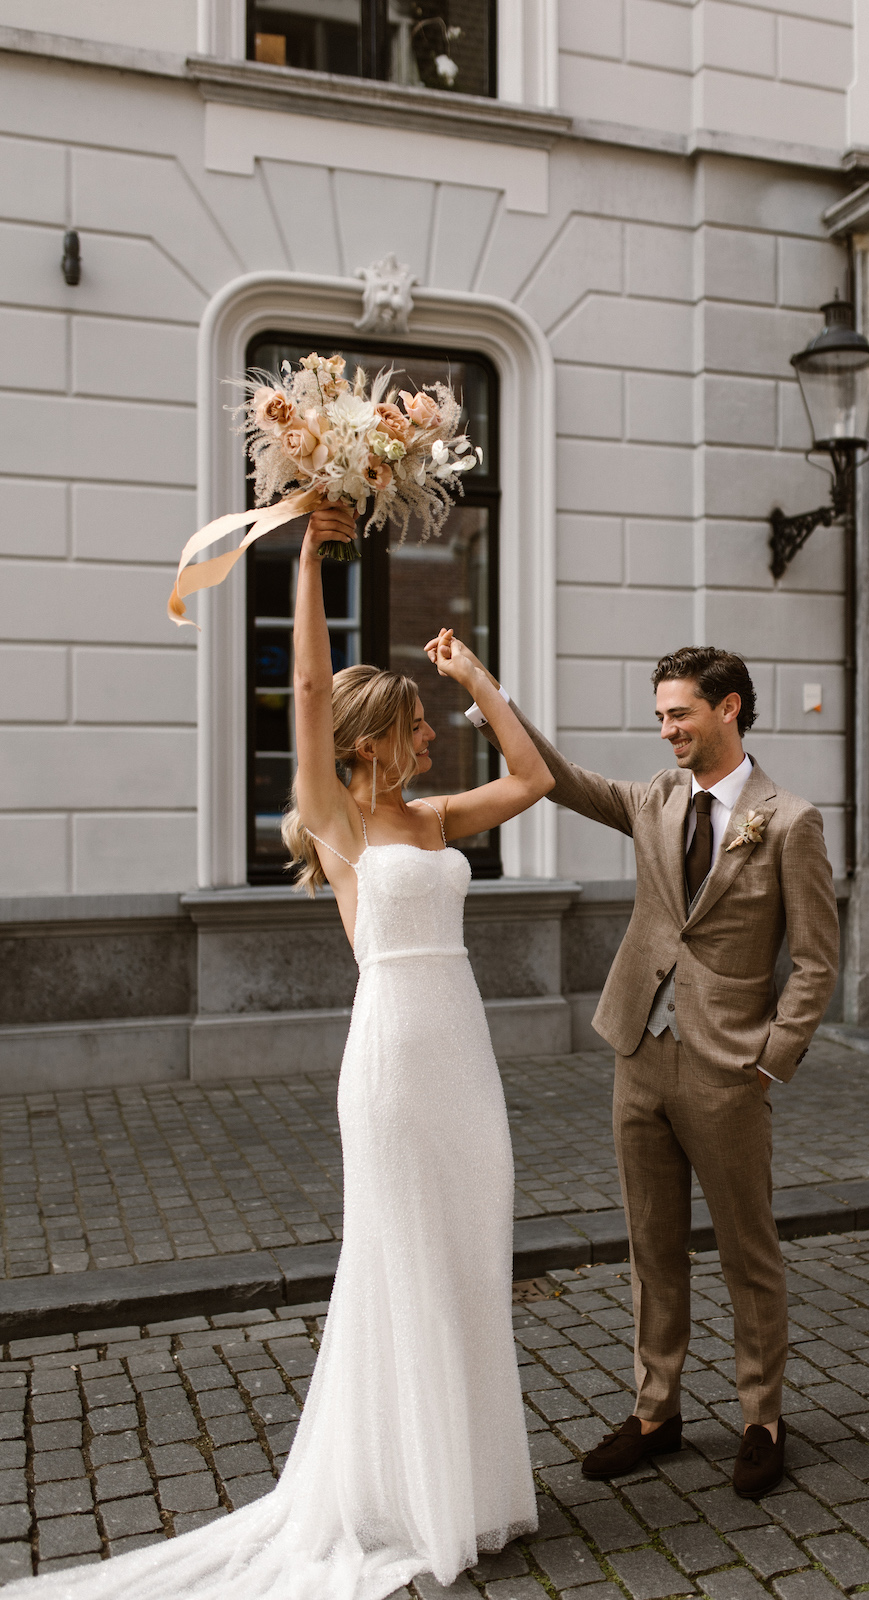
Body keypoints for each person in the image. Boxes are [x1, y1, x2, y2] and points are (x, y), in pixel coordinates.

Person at [9, 503, 553, 1599]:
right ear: (367, 745)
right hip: (395, 1054)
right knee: (398, 1262)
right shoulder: (337, 820)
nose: (428, 740)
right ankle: (400, 1493)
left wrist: (475, 678)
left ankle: (471, 1483)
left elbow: (533, 777)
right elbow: (307, 695)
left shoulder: (434, 819)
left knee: (464, 1258)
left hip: (464, 1057)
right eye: (413, 727)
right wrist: (310, 559)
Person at [464, 641, 838, 1500]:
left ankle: (760, 1418)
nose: (665, 728)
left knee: (748, 1252)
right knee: (651, 1248)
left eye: (680, 714)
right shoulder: (653, 800)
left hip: (729, 1070)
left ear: (729, 709)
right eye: (661, 715)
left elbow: (816, 961)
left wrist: (770, 1063)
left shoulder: (790, 821)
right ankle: (655, 1412)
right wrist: (484, 687)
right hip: (639, 1055)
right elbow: (552, 773)